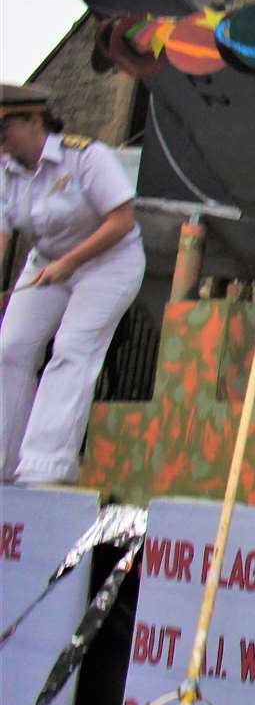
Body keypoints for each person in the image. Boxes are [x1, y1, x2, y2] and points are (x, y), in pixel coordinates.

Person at [0, 84, 145, 485]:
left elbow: (122, 220)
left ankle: (46, 464)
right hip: (46, 262)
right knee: (10, 348)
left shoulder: (86, 158)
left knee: (71, 349)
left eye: (4, 130)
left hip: (108, 262)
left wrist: (71, 262)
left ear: (34, 121)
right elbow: (2, 235)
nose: (1, 142)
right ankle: (3, 460)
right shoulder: (4, 171)